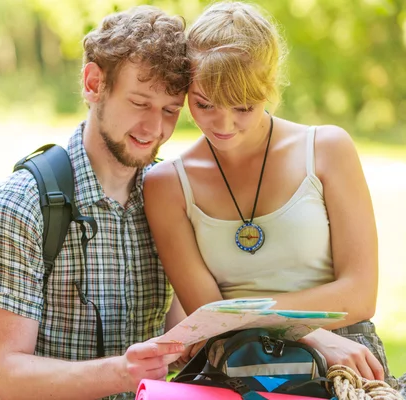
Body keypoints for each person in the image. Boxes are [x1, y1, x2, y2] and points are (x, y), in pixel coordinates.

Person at [144, 0, 401, 390]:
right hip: (232, 363)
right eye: (204, 104)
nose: (223, 124)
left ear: (270, 86)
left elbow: (360, 293)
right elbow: (208, 315)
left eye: (243, 106)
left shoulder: (327, 150)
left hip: (344, 357)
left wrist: (247, 316)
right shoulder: (166, 185)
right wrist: (306, 333)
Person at [0, 6, 192, 400]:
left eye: (170, 110)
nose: (156, 129)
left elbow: (182, 336)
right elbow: (6, 372)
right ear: (93, 83)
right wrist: (124, 373)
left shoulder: (174, 195)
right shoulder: (19, 206)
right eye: (140, 103)